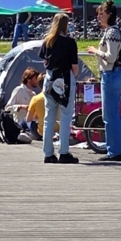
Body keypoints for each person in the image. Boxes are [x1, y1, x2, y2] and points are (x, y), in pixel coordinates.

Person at [86, 0, 121, 161]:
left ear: (109, 14)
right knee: (116, 115)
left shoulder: (111, 33)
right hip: (115, 74)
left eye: (101, 14)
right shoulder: (113, 31)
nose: (99, 17)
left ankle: (114, 151)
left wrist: (95, 51)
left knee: (109, 116)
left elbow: (111, 57)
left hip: (110, 74)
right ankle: (120, 149)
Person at [39, 12, 79, 164]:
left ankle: (48, 153)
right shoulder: (70, 42)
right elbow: (74, 66)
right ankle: (64, 152)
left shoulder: (47, 41)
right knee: (65, 117)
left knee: (49, 117)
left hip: (50, 79)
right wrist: (75, 77)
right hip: (65, 79)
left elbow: (45, 62)